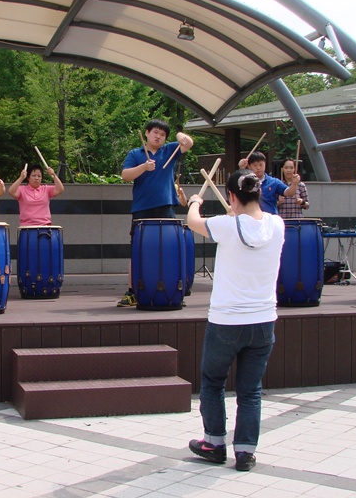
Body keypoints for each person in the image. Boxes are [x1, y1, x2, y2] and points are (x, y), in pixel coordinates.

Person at [186, 170, 285, 472]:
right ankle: (245, 452)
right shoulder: (277, 225)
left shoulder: (226, 226)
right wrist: (236, 214)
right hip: (263, 321)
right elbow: (249, 223)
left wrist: (194, 201)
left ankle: (214, 443)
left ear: (231, 196)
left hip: (226, 321)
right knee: (250, 390)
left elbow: (192, 222)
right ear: (259, 193)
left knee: (213, 381)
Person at [117, 119, 193, 307]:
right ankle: (133, 291)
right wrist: (144, 167)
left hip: (166, 206)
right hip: (142, 208)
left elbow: (188, 143)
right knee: (138, 249)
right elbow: (125, 175)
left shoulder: (169, 150)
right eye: (155, 132)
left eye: (162, 134)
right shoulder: (135, 154)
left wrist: (179, 135)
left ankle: (173, 289)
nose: (158, 136)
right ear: (147, 133)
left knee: (171, 249)